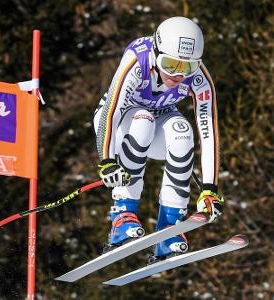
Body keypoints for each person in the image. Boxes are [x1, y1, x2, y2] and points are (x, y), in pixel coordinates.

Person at [93, 16, 224, 260]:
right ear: (156, 52)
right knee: (143, 120)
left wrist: (209, 189)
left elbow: (209, 132)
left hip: (158, 125)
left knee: (183, 131)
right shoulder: (137, 59)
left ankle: (170, 229)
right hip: (118, 123)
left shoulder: (200, 79)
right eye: (171, 64)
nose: (178, 75)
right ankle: (122, 215)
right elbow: (111, 111)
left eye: (187, 67)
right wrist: (107, 160)